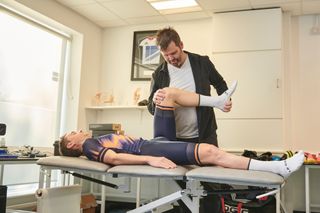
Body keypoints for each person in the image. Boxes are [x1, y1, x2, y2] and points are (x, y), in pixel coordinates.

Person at [59, 87, 304, 180]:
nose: (78, 130)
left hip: (153, 141)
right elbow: (113, 159)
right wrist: (149, 159)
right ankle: (277, 168)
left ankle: (216, 101)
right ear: (71, 143)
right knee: (209, 151)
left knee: (167, 94)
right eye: (73, 132)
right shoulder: (88, 145)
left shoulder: (90, 143)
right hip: (150, 149)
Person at [148, 27, 231, 146]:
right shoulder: (158, 74)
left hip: (205, 134)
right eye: (166, 55)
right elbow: (151, 108)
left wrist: (226, 99)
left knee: (211, 164)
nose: (171, 58)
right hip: (175, 138)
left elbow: (219, 83)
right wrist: (155, 102)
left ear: (181, 45)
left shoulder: (202, 62)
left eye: (173, 53)